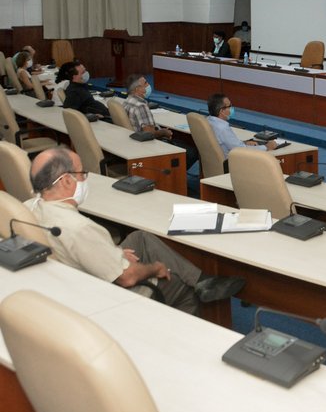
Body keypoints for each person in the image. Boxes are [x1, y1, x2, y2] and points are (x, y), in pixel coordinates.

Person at [25, 147, 246, 315]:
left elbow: (83, 250)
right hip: (102, 296)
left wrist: (115, 253)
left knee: (141, 237)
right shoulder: (80, 228)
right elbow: (127, 278)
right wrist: (154, 268)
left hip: (75, 274)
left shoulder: (27, 207)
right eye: (82, 174)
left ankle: (202, 279)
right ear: (65, 181)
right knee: (181, 288)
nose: (85, 179)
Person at [123, 74, 199, 170]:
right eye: (145, 83)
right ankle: (174, 177)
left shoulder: (127, 101)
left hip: (135, 142)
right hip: (149, 145)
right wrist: (164, 132)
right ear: (138, 89)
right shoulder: (140, 106)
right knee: (192, 152)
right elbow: (149, 133)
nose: (148, 85)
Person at [207, 93, 277, 158]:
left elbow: (229, 143)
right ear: (221, 111)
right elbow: (241, 150)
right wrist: (266, 147)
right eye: (229, 106)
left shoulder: (208, 121)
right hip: (232, 162)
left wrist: (244, 143)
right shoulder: (223, 128)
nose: (232, 108)